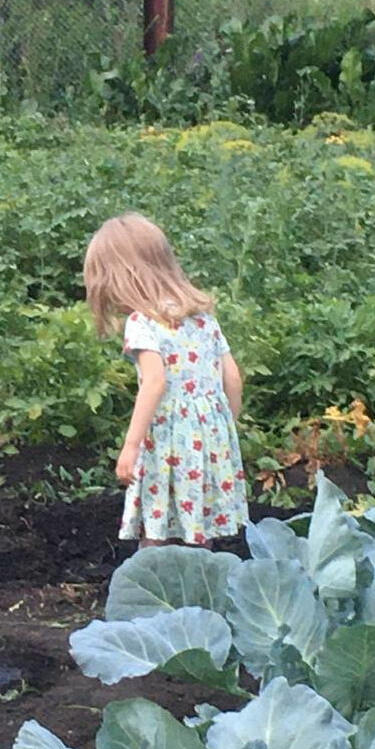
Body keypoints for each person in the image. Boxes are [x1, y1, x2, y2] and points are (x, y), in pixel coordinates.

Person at [83, 213, 248, 548]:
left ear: (122, 277)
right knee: (198, 521)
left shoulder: (142, 322)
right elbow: (232, 377)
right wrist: (223, 425)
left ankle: (153, 589)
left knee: (155, 524)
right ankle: (203, 590)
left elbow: (154, 383)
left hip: (167, 439)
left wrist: (130, 446)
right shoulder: (202, 317)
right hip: (209, 437)